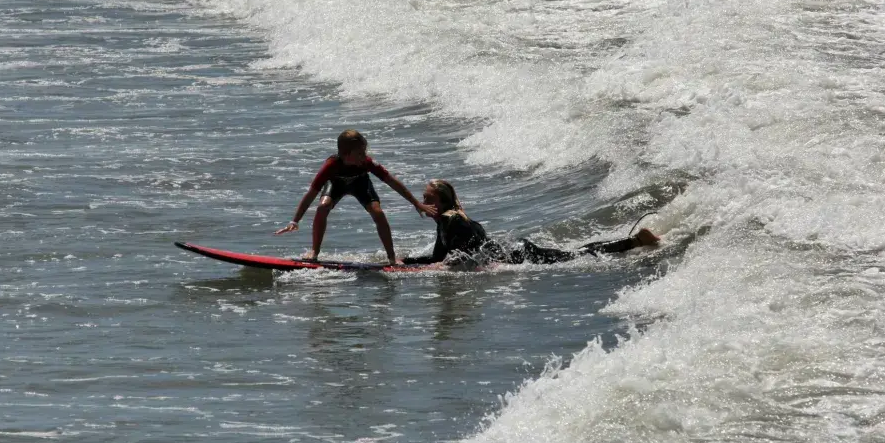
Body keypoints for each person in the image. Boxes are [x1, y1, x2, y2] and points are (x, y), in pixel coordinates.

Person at [402, 179, 660, 266]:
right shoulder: (446, 222)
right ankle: (635, 240)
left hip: (520, 257)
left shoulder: (451, 220)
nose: (422, 203)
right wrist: (404, 262)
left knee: (579, 254)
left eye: (427, 198)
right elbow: (439, 259)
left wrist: (400, 264)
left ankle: (636, 240)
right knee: (576, 252)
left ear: (441, 201)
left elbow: (460, 259)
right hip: (516, 252)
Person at [275, 130, 436, 264]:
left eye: (364, 152)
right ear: (345, 154)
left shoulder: (366, 163)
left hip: (361, 184)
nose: (364, 156)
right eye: (360, 153)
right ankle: (314, 252)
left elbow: (392, 182)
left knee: (378, 213)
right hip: (336, 184)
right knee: (323, 206)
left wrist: (415, 203)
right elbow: (311, 193)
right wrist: (294, 221)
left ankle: (392, 258)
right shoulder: (331, 166)